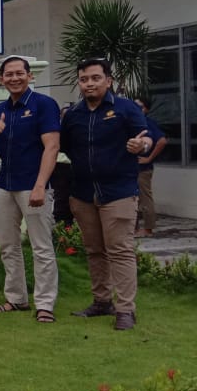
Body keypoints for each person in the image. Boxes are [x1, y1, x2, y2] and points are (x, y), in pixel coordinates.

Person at [60, 59, 154, 331]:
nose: (89, 83)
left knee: (121, 251)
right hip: (83, 193)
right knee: (94, 251)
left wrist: (141, 146)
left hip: (119, 193)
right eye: (84, 79)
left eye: (95, 78)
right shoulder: (74, 115)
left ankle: (125, 310)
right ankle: (102, 301)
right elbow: (63, 147)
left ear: (108, 80)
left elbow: (145, 138)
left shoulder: (125, 108)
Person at [0, 56, 61, 323]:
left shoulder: (43, 105)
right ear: (1, 79)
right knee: (8, 245)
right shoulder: (1, 109)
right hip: (5, 185)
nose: (14, 78)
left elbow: (52, 147)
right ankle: (16, 298)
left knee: (41, 247)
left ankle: (45, 304)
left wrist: (39, 186)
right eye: (8, 75)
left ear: (29, 76)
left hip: (33, 186)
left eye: (19, 73)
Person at [133, 97, 167, 237]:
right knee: (132, 199)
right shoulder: (132, 122)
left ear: (146, 109)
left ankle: (148, 228)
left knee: (145, 198)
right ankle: (133, 228)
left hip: (143, 169)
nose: (136, 109)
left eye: (139, 107)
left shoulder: (147, 123)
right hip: (130, 169)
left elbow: (162, 141)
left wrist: (149, 157)